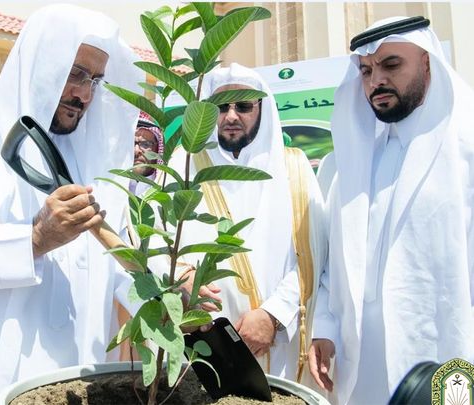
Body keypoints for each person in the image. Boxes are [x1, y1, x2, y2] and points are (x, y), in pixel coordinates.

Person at [0, 4, 143, 404]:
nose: (84, 94)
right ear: (42, 63)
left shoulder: (97, 161)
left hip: (80, 382)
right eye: (75, 73)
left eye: (95, 80)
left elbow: (112, 275)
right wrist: (33, 240)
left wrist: (165, 288)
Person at [308, 16, 474, 404]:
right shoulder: (347, 163)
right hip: (360, 367)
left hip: (441, 358)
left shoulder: (465, 156)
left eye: (391, 65)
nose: (375, 81)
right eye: (365, 71)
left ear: (428, 62)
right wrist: (325, 327)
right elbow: (335, 258)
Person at [160, 63, 327, 380]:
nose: (231, 116)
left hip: (279, 343)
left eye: (243, 106)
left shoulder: (294, 168)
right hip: (203, 342)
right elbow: (158, 242)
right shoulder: (184, 165)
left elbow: (316, 256)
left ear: (262, 108)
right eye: (221, 107)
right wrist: (180, 277)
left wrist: (273, 315)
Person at [130, 111, 164, 196]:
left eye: (145, 144)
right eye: (130, 144)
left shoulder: (166, 187)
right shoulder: (110, 189)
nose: (136, 151)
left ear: (157, 149)